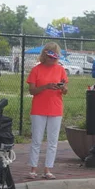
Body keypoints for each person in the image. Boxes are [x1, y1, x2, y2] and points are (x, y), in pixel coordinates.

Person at [26, 42, 68, 180]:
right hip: (39, 108)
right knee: (37, 139)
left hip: (55, 107)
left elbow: (65, 89)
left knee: (52, 141)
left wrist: (61, 88)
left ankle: (48, 169)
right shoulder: (36, 70)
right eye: (50, 57)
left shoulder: (61, 70)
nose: (52, 60)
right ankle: (33, 168)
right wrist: (45, 87)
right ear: (44, 56)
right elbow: (32, 90)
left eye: (54, 58)